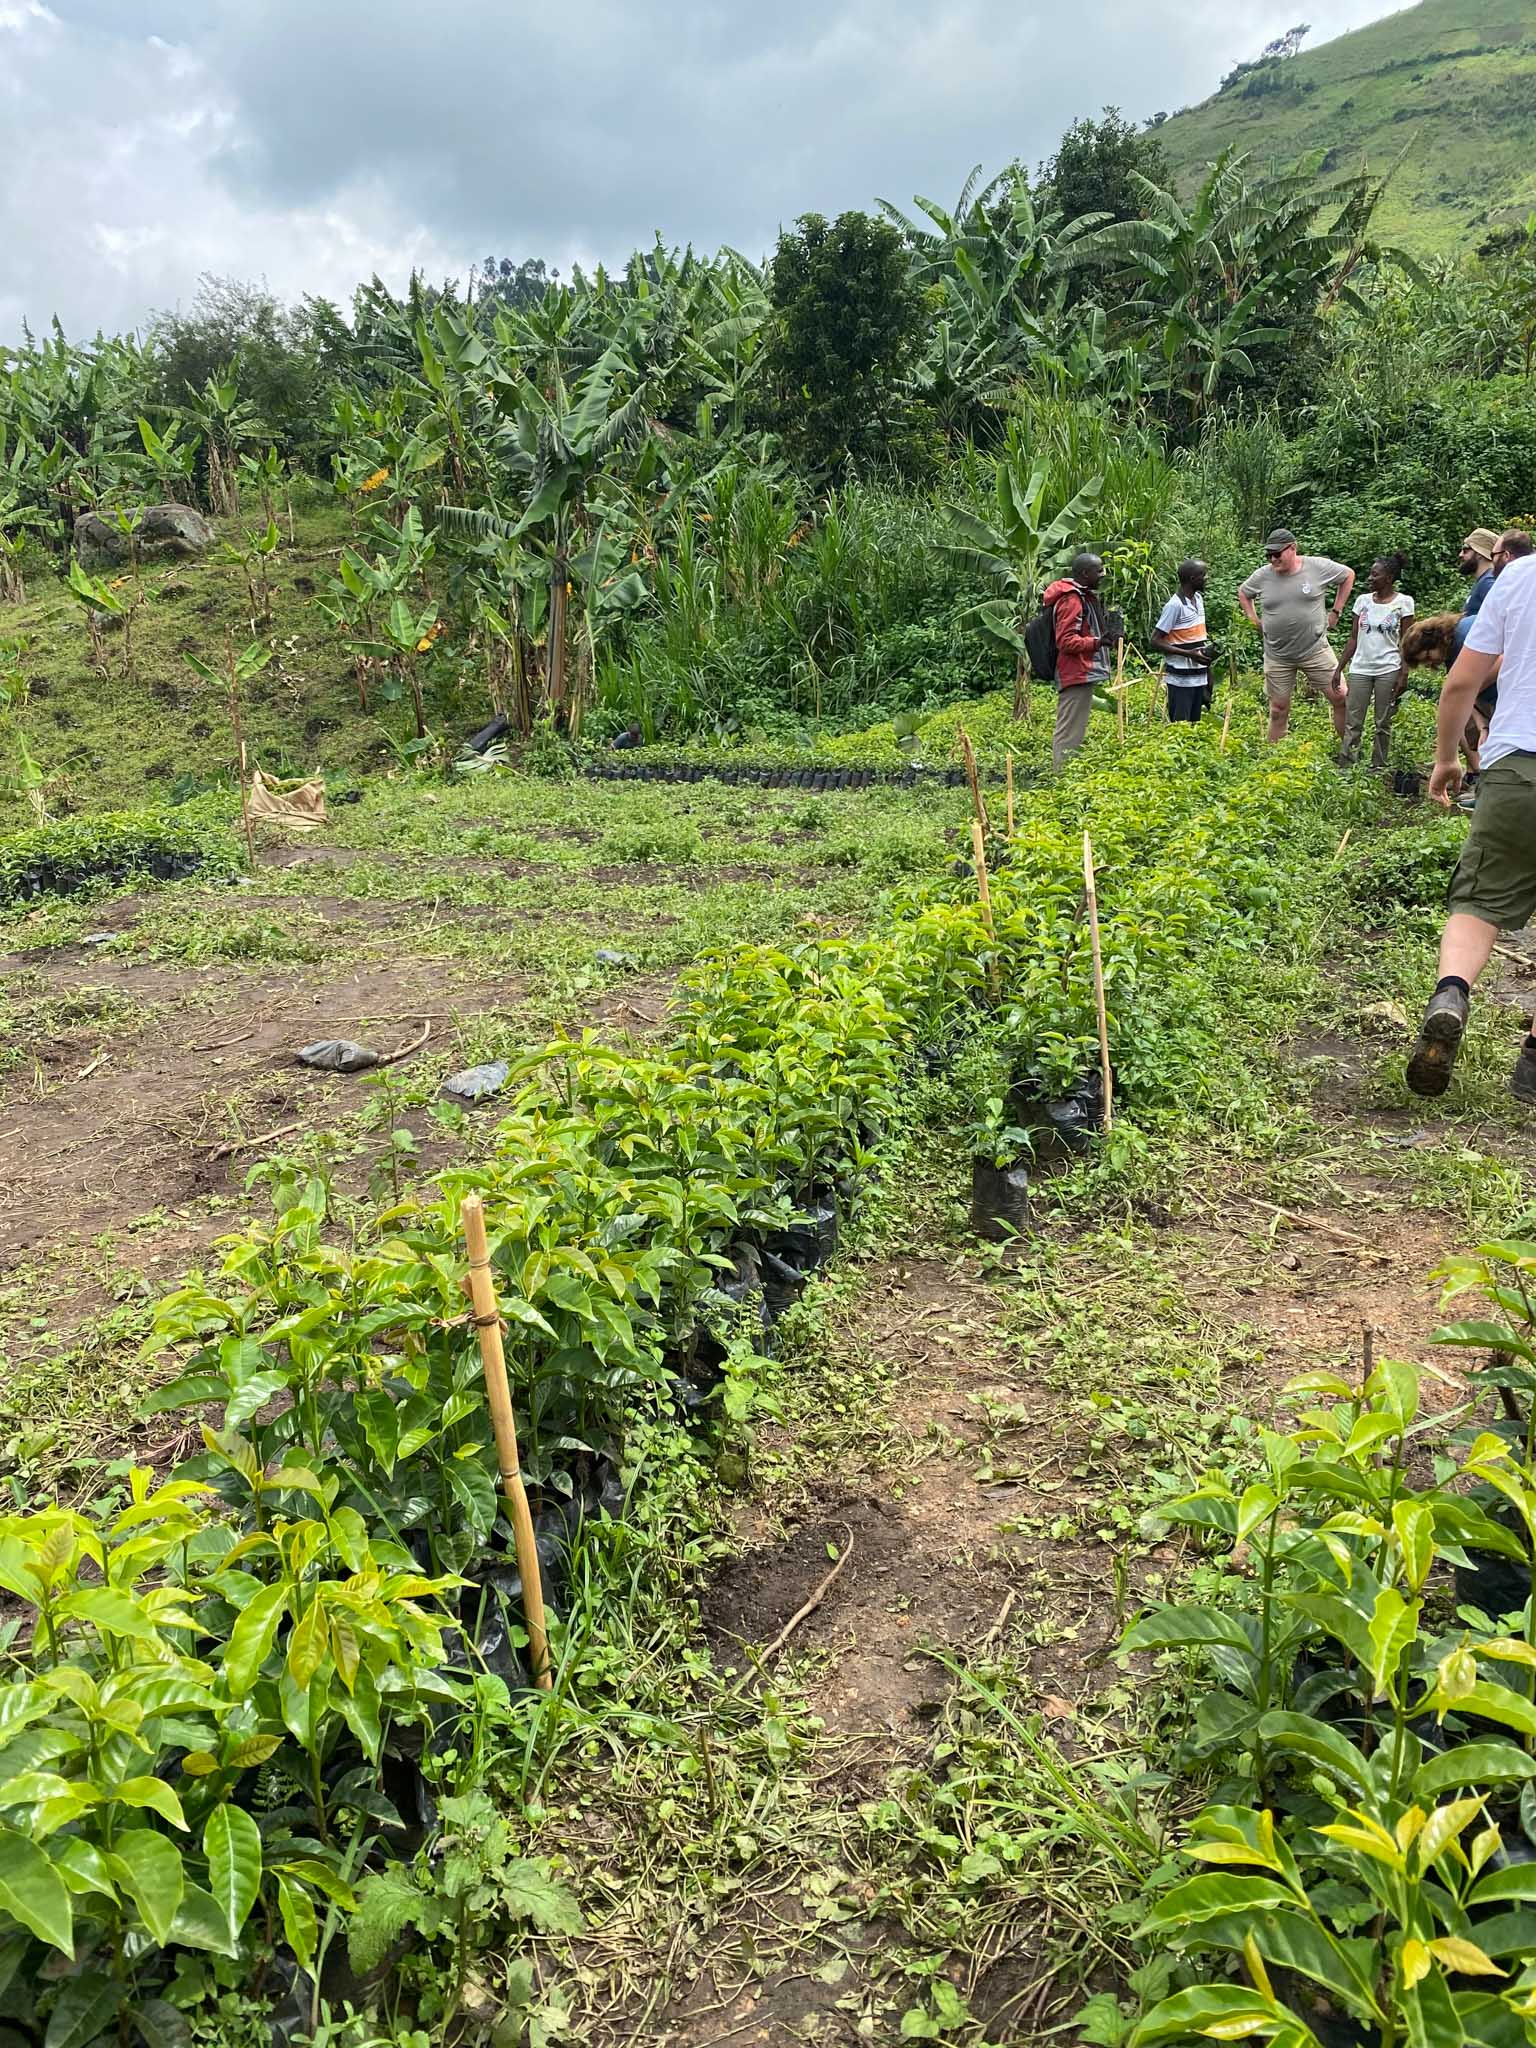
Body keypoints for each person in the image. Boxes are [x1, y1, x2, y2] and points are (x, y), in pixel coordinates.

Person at [1405, 547, 1536, 1103]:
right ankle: (1532, 1066)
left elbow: (1460, 684)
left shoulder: (1521, 577)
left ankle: (1451, 994)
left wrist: (1446, 759)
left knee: (1478, 901)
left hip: (1517, 767)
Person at [1238, 529, 1354, 743]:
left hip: (1315, 649)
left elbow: (1348, 575)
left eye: (1277, 554)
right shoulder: (1263, 575)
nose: (1273, 559)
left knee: (1340, 697)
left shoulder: (1316, 567)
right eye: (1268, 555)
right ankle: (1275, 759)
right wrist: (1253, 619)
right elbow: (1244, 593)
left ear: (1292, 548)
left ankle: (1349, 753)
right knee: (1278, 710)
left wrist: (1336, 611)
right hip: (1277, 655)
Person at [1333, 554, 1414, 772]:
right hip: (1361, 667)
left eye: (1375, 574)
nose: (1370, 578)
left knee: (1383, 722)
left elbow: (1406, 642)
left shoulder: (1404, 603)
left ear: (1388, 578)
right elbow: (1353, 638)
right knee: (1353, 721)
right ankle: (1347, 767)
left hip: (1388, 667)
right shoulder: (1363, 602)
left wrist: (1403, 673)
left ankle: (1378, 766)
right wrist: (1339, 667)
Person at [1041, 551, 1119, 770]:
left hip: (1081, 672)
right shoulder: (1071, 599)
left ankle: (1066, 775)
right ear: (1085, 573)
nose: (1103, 575)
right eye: (1099, 570)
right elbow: (1066, 641)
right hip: (1074, 672)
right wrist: (1096, 642)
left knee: (1075, 729)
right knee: (1069, 732)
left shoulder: (1082, 596)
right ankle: (1061, 779)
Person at [1455, 528, 1501, 773]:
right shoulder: (1483, 584)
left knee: (1475, 724)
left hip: (1488, 672)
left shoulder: (1490, 584)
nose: (1461, 555)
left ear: (1481, 553)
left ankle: (1480, 777)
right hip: (1481, 669)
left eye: (1466, 549)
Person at [1152, 560, 1216, 723]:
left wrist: (1208, 672)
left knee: (1194, 726)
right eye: (1203, 575)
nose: (1207, 578)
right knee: (1180, 727)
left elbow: (1197, 639)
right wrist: (1188, 654)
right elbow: (1155, 641)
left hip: (1199, 676)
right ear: (1193, 578)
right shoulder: (1175, 605)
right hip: (1181, 680)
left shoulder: (1198, 599)